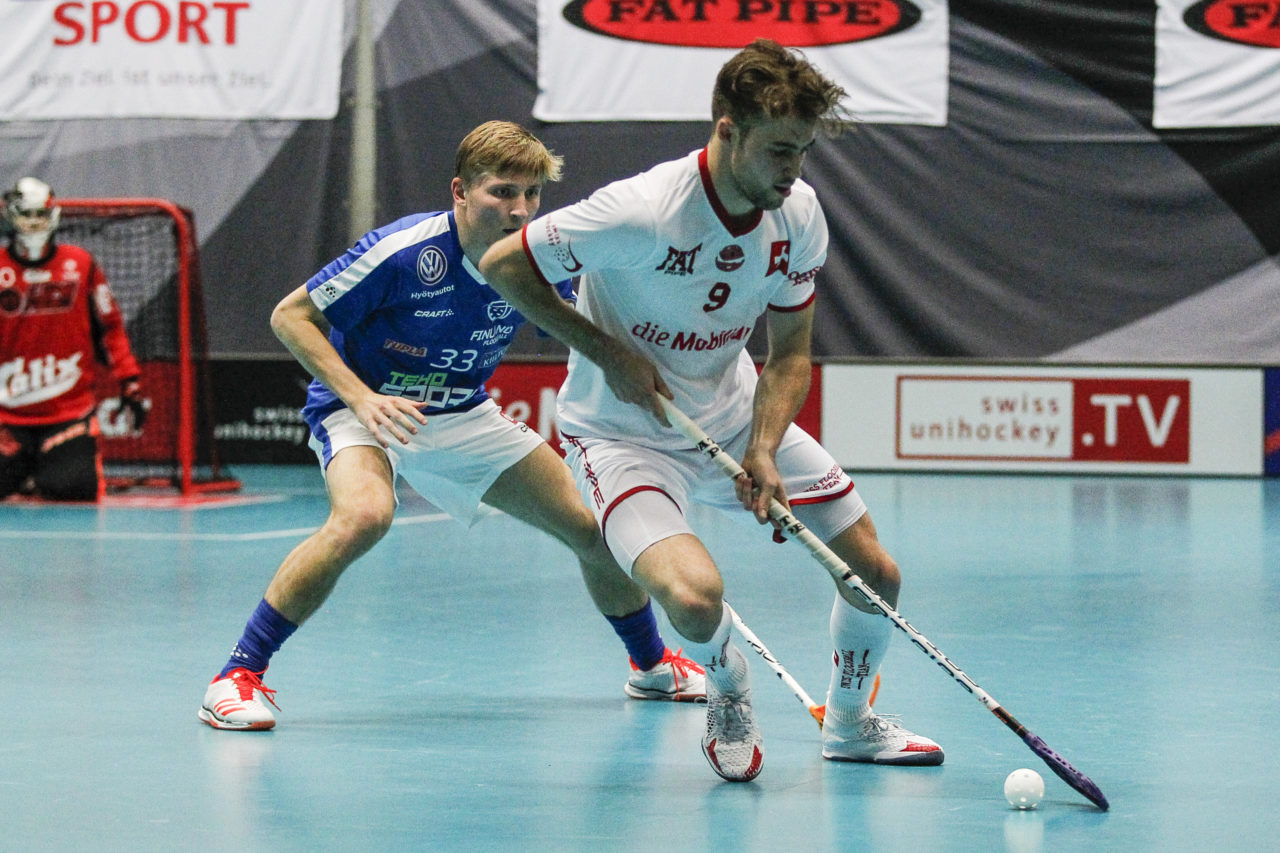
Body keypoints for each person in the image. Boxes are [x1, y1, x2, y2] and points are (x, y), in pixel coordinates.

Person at [479, 40, 942, 782]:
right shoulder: (640, 211)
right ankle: (726, 683)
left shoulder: (798, 215)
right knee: (695, 597)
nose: (793, 171)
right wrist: (606, 350)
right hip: (621, 434)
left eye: (803, 152)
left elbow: (790, 352)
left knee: (875, 572)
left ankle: (850, 722)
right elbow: (502, 266)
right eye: (780, 150)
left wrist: (761, 446)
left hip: (727, 417)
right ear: (726, 129)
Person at [199, 121, 705, 731]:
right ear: (460, 191)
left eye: (532, 194)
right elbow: (291, 317)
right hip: (370, 410)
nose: (519, 210)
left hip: (463, 413)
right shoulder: (405, 251)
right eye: (502, 193)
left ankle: (651, 666)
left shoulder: (537, 259)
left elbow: (579, 331)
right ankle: (236, 676)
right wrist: (360, 399)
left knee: (595, 532)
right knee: (364, 516)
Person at [0, 177, 146, 502]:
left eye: (41, 214)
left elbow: (110, 328)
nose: (34, 222)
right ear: (12, 216)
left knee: (71, 489)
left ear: (53, 215)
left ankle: (39, 473)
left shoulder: (79, 264)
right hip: (6, 416)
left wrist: (130, 382)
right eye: (26, 214)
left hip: (68, 414)